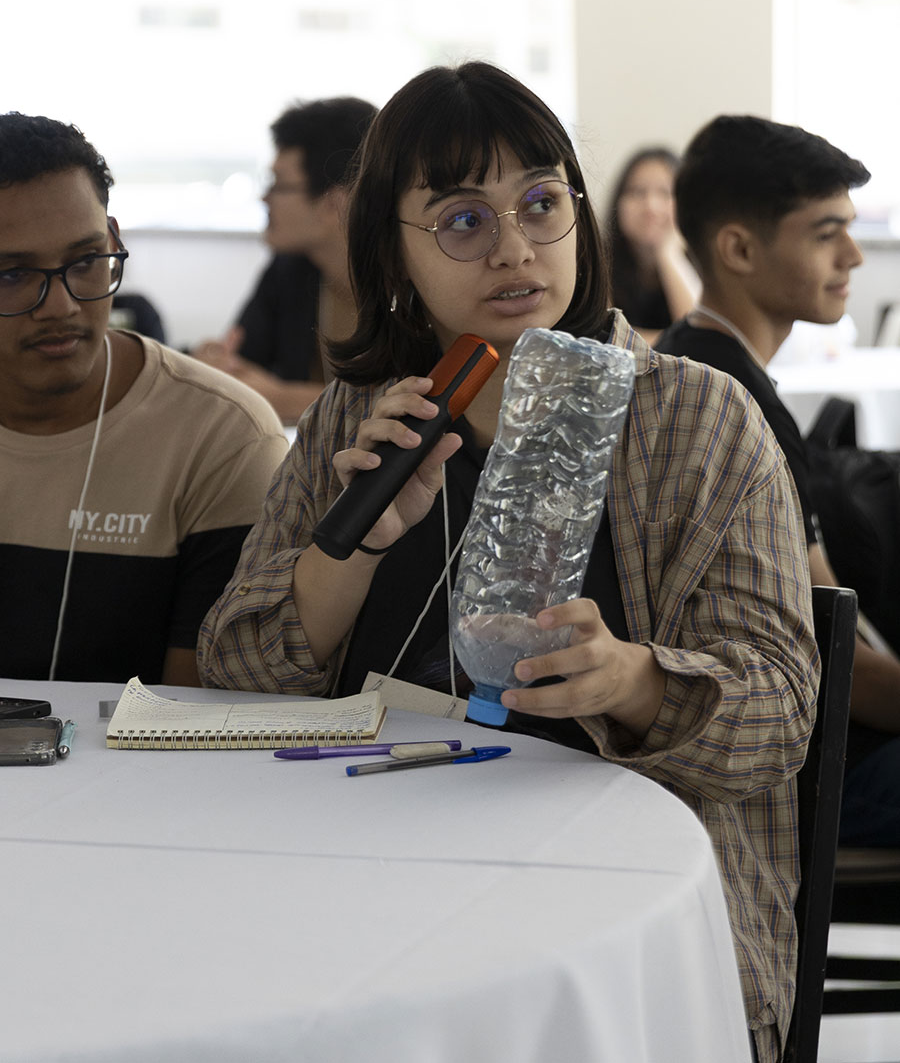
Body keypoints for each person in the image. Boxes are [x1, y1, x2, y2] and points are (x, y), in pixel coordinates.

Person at [199, 62, 818, 1063]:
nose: (515, 249)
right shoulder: (360, 417)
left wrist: (630, 681)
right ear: (392, 252)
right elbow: (238, 677)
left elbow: (781, 717)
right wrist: (356, 543)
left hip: (613, 906)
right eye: (462, 220)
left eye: (540, 203)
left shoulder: (695, 419)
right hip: (365, 875)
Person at [656, 112, 900, 847]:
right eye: (827, 233)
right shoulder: (728, 403)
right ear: (738, 248)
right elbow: (831, 652)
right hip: (809, 774)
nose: (853, 255)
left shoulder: (705, 365)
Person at [0, 112, 288, 686]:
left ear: (113, 241)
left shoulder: (221, 436)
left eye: (86, 261)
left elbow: (192, 712)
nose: (61, 306)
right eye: (12, 275)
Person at [193, 96, 377, 423]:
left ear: (333, 204)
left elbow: (417, 402)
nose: (264, 198)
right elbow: (243, 367)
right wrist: (214, 366)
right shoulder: (290, 269)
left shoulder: (411, 283)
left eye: (278, 184)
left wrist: (283, 398)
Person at [605, 145, 697, 344]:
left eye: (665, 193)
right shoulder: (599, 262)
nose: (651, 206)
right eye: (637, 192)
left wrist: (668, 254)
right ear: (619, 202)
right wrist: (675, 342)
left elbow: (701, 338)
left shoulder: (706, 264)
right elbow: (604, 337)